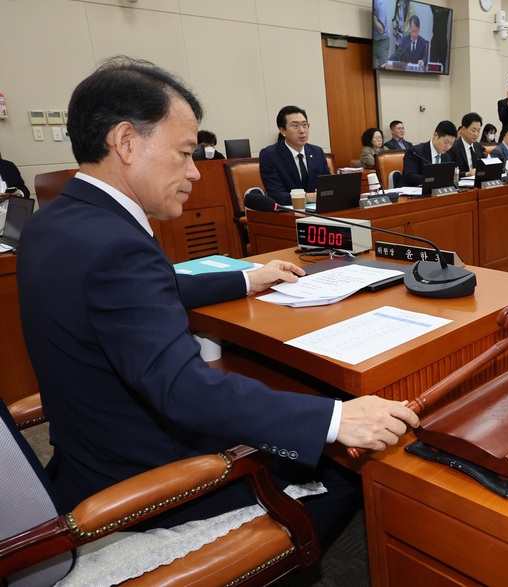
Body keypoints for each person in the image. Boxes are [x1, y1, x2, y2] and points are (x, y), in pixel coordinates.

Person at [16, 56, 418, 539]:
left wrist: (246, 280)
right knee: (344, 463)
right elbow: (184, 391)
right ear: (125, 142)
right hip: (148, 482)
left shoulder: (53, 222)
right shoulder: (117, 245)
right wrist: (336, 419)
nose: (195, 173)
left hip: (87, 455)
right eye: (184, 153)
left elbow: (141, 291)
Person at [259, 105, 331, 206]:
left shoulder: (317, 152)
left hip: (319, 210)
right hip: (289, 211)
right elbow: (276, 195)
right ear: (283, 131)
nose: (302, 130)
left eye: (305, 125)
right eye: (295, 126)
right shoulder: (270, 155)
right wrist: (309, 197)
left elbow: (328, 186)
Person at [402, 119, 457, 186]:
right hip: (414, 190)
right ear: (435, 135)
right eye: (446, 142)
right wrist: (433, 180)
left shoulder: (447, 156)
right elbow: (409, 176)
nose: (448, 147)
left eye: (451, 144)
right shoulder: (415, 152)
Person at [446, 112, 485, 177]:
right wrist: (467, 174)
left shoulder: (478, 147)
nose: (476, 134)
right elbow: (450, 172)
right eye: (473, 130)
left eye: (478, 131)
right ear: (463, 129)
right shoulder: (453, 148)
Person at [372, 0, 391, 67]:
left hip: (383, 41)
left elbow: (381, 30)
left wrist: (373, 18)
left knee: (382, 67)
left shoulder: (380, 4)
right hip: (373, 41)